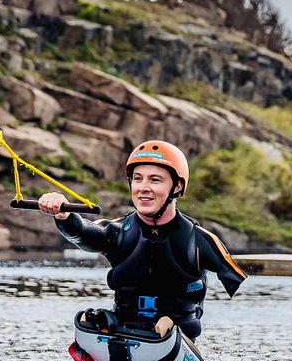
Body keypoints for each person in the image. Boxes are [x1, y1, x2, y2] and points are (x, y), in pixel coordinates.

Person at [38, 140, 247, 340]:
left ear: (177, 187)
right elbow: (84, 232)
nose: (143, 187)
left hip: (177, 336)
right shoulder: (118, 230)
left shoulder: (200, 240)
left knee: (166, 325)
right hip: (123, 331)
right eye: (138, 179)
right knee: (87, 319)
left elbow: (236, 280)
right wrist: (64, 216)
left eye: (155, 180)